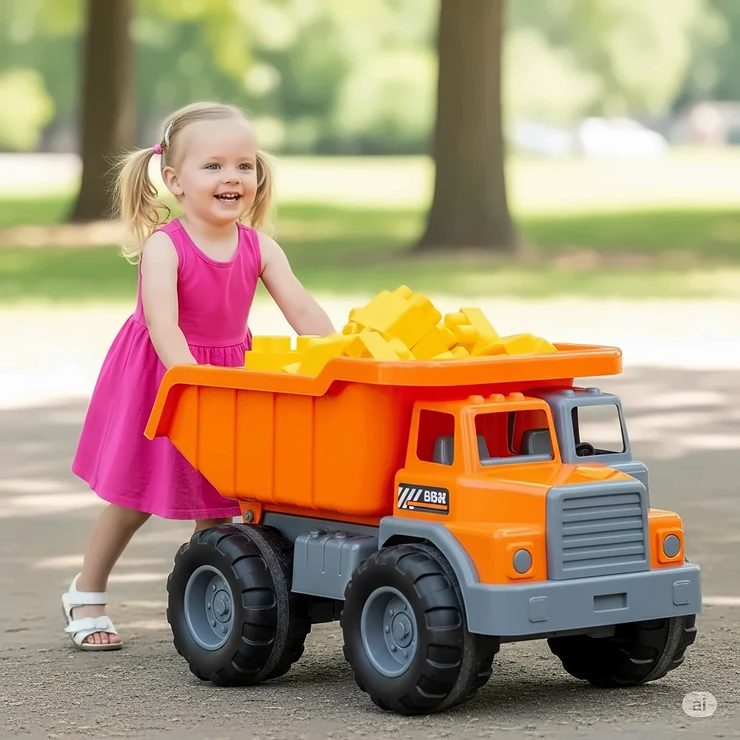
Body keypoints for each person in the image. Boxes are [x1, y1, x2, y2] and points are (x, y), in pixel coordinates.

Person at [62, 101, 336, 651]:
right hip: (164, 376)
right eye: (212, 166)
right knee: (134, 496)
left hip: (229, 377)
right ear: (174, 180)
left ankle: (210, 596)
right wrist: (191, 380)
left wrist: (340, 354)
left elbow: (303, 312)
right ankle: (86, 591)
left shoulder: (260, 246)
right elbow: (163, 324)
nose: (232, 177)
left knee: (220, 497)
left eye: (244, 164)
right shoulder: (166, 246)